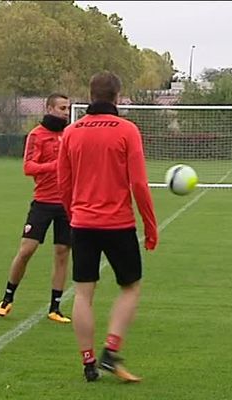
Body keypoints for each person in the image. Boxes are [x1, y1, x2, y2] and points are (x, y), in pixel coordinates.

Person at [57, 71, 158, 382]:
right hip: (118, 224)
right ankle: (111, 352)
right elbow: (139, 183)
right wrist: (150, 225)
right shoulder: (127, 130)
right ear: (118, 96)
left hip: (83, 223)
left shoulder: (72, 132)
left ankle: (88, 363)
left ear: (91, 95)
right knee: (130, 287)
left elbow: (64, 183)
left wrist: (73, 213)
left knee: (83, 293)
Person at [0, 93, 72, 324]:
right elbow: (28, 167)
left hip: (67, 203)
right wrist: (54, 166)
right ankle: (7, 299)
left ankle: (55, 307)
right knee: (27, 250)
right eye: (62, 108)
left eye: (68, 109)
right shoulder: (37, 135)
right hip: (43, 202)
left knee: (62, 254)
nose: (66, 113)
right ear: (49, 108)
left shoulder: (70, 134)